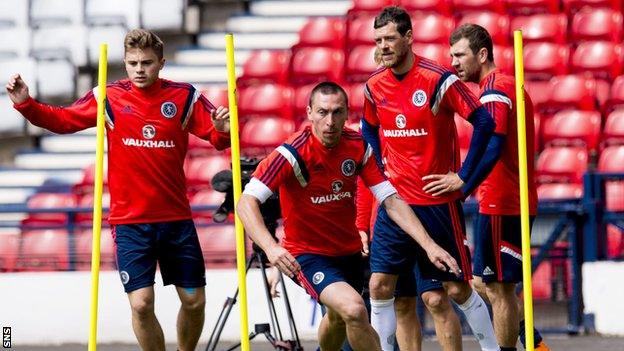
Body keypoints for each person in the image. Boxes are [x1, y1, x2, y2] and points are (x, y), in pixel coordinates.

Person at [6, 29, 230, 351]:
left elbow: (217, 138)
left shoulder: (184, 96)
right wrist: (26, 104)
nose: (140, 69)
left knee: (194, 301)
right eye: (133, 62)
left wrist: (222, 129)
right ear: (125, 63)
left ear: (161, 63)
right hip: (130, 223)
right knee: (141, 303)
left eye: (147, 63)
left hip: (176, 219)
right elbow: (64, 120)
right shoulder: (109, 96)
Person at [237, 81, 461, 351]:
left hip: (349, 254)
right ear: (309, 113)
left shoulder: (357, 146)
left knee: (338, 319)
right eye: (322, 112)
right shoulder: (291, 153)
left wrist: (429, 245)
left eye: (337, 112)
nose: (330, 121)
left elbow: (390, 200)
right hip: (307, 255)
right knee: (354, 309)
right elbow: (245, 203)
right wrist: (272, 249)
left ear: (347, 114)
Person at [362, 6, 499, 351]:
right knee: (380, 285)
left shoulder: (439, 79)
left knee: (452, 291)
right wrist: (379, 167)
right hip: (395, 206)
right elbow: (368, 127)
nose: (384, 46)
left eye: (390, 38)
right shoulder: (373, 85)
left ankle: (492, 348)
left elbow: (484, 121)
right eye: (378, 39)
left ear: (409, 38)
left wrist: (464, 177)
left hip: (436, 203)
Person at [446, 23, 549, 351]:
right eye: (451, 56)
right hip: (500, 199)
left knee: (501, 288)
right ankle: (537, 344)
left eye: (460, 55)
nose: (454, 62)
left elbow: (493, 143)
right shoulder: (497, 85)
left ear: (482, 54)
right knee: (483, 282)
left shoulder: (495, 88)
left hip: (505, 201)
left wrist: (464, 183)